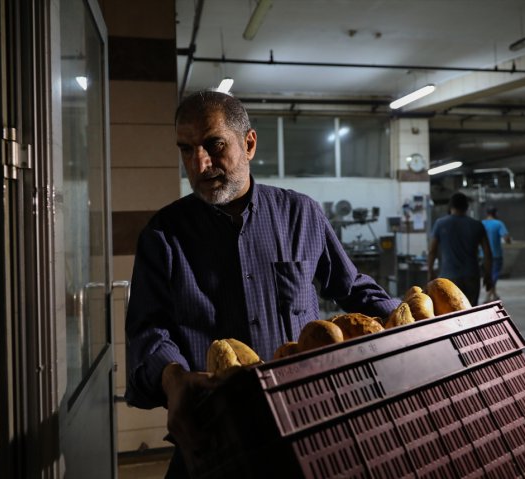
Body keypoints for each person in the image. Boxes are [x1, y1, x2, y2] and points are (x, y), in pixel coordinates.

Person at [124, 89, 401, 478]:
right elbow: (148, 330)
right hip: (214, 434)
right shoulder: (163, 236)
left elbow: (352, 286)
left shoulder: (300, 214)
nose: (199, 164)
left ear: (249, 144)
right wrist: (172, 378)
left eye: (213, 145)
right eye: (186, 150)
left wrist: (415, 324)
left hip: (303, 422)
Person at [427, 192, 492, 306]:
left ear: (450, 206)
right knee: (471, 311)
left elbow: (432, 250)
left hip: (449, 278)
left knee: (450, 312)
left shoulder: (440, 224)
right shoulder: (477, 225)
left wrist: (430, 271)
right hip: (472, 276)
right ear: (466, 207)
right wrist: (488, 275)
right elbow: (488, 253)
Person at [481, 206, 511, 302]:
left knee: (488, 275)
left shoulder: (481, 223)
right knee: (494, 275)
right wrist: (508, 241)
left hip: (483, 254)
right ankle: (488, 296)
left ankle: (495, 295)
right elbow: (506, 238)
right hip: (496, 254)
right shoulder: (498, 223)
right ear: (496, 213)